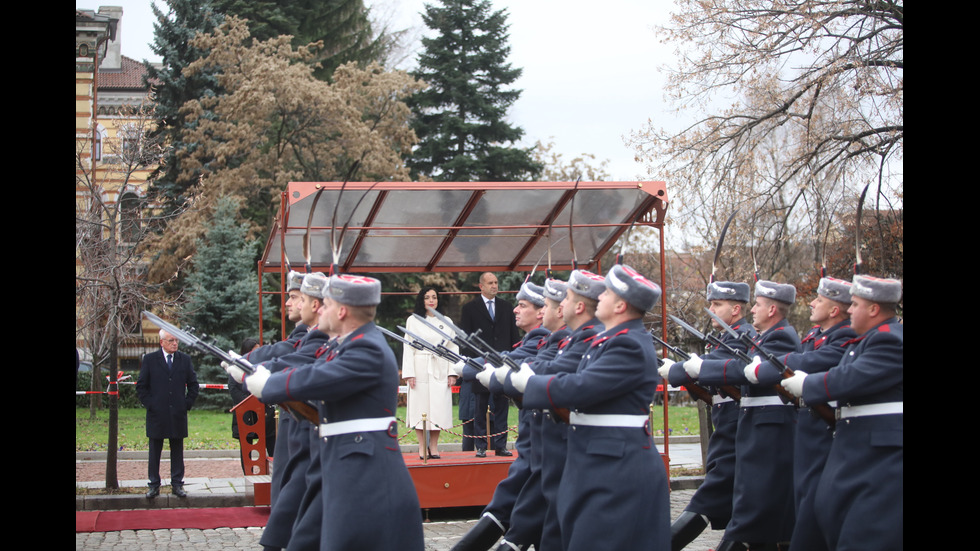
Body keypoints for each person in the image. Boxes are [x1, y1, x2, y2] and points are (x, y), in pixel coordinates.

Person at [243, 273, 425, 550]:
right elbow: (311, 368)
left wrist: (269, 384)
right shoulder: (344, 345)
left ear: (341, 311)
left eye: (325, 304)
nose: (319, 310)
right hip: (344, 468)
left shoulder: (367, 348)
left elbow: (319, 378)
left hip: (366, 478)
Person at [511, 264, 670, 551]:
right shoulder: (610, 340)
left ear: (620, 305)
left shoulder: (628, 344)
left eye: (606, 293)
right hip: (599, 463)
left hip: (616, 468)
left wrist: (530, 383)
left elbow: (582, 386)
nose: (601, 298)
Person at [781, 275, 903, 551]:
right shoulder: (866, 341)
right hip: (859, 456)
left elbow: (850, 378)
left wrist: (807, 384)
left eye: (856, 304)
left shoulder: (890, 340)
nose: (849, 310)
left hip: (880, 460)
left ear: (873, 309)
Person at [687, 280, 801, 550]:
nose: (753, 311)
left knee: (754, 517)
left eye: (717, 304)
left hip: (765, 434)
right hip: (748, 432)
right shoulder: (758, 338)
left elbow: (738, 369)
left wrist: (698, 367)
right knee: (752, 518)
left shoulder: (778, 336)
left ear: (772, 309)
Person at [748, 277, 856, 551]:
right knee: (803, 512)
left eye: (819, 300)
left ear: (834, 311)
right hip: (807, 434)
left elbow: (810, 361)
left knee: (813, 519)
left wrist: (769, 363)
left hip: (822, 434)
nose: (812, 302)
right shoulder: (817, 335)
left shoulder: (843, 336)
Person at [453, 280, 553, 551]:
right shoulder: (540, 339)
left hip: (547, 444)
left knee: (528, 519)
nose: (516, 310)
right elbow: (508, 357)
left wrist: (478, 369)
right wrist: (478, 366)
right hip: (535, 440)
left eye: (522, 305)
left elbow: (514, 362)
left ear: (542, 311)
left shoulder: (547, 340)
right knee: (524, 514)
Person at [660, 281, 756, 551]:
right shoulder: (727, 337)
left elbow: (715, 365)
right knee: (736, 504)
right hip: (727, 426)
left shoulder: (741, 337)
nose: (711, 310)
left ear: (736, 309)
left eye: (717, 305)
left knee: (711, 497)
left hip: (736, 429)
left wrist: (680, 371)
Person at [460, 272, 521, 457]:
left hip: (502, 363)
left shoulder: (506, 307)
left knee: (501, 405)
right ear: (481, 286)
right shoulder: (470, 308)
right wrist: (473, 363)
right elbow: (465, 339)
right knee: (480, 406)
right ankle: (480, 446)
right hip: (481, 364)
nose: (494, 286)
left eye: (496, 282)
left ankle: (500, 445)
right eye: (490, 283)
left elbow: (514, 337)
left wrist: (513, 359)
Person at [136, 328, 200, 499]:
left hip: (177, 413)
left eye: (176, 341)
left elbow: (193, 385)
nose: (175, 344)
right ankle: (154, 484)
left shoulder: (184, 360)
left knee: (177, 449)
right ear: (161, 342)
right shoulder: (150, 360)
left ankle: (177, 484)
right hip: (157, 413)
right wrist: (151, 404)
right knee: (155, 450)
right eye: (171, 341)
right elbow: (141, 386)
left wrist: (186, 404)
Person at [402, 286, 459, 459]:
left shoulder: (446, 320)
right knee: (420, 409)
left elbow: (453, 347)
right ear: (422, 300)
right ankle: (421, 447)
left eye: (434, 297)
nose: (431, 300)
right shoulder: (413, 320)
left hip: (440, 366)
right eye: (427, 297)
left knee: (438, 409)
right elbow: (408, 346)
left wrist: (452, 372)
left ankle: (434, 447)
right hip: (419, 367)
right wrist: (409, 373)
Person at [229, 337, 277, 474]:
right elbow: (234, 390)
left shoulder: (263, 366)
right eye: (255, 351)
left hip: (266, 415)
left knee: (272, 445)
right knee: (247, 448)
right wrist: (253, 403)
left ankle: (273, 475)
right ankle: (248, 475)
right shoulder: (238, 367)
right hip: (246, 415)